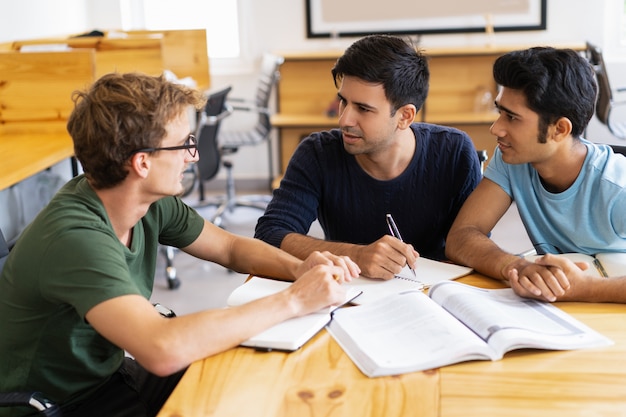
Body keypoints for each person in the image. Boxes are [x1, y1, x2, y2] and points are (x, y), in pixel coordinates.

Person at [0, 72, 360, 417]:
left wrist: (300, 269)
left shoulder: (147, 201)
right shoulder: (75, 238)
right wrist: (295, 299)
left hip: (107, 377)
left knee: (241, 382)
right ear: (142, 162)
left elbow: (230, 248)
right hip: (59, 405)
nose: (194, 156)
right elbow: (162, 349)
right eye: (185, 144)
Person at [254, 35, 482, 279]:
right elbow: (270, 235)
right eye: (343, 102)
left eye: (363, 109)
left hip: (434, 294)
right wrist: (355, 254)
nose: (344, 120)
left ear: (405, 116)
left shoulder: (454, 152)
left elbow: (473, 245)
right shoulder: (317, 153)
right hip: (349, 297)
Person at [445, 46, 626, 303]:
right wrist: (515, 266)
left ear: (559, 129)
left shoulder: (617, 188)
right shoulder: (513, 160)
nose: (496, 129)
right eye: (500, 112)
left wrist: (587, 288)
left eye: (512, 118)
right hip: (555, 311)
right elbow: (462, 235)